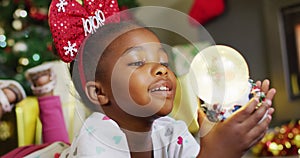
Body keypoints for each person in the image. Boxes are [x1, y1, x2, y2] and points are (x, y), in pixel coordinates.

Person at [3, 0, 277, 157]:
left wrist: (231, 135)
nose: (161, 70)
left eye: (163, 62)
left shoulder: (173, 133)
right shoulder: (97, 138)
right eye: (138, 62)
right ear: (99, 93)